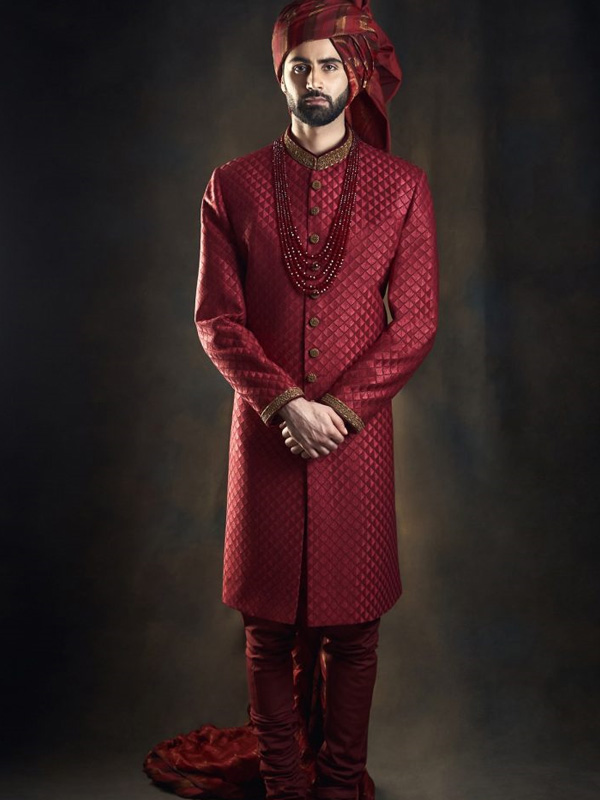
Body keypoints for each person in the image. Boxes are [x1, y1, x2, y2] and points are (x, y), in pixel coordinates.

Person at [189, 2, 439, 799]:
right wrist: (284, 403)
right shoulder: (232, 186)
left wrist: (343, 408)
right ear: (282, 77)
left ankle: (338, 783)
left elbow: (419, 320)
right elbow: (217, 320)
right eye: (301, 66)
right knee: (266, 630)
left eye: (330, 65)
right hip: (266, 432)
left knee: (355, 631)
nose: (316, 79)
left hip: (355, 441)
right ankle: (284, 786)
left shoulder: (402, 188)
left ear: (352, 73)